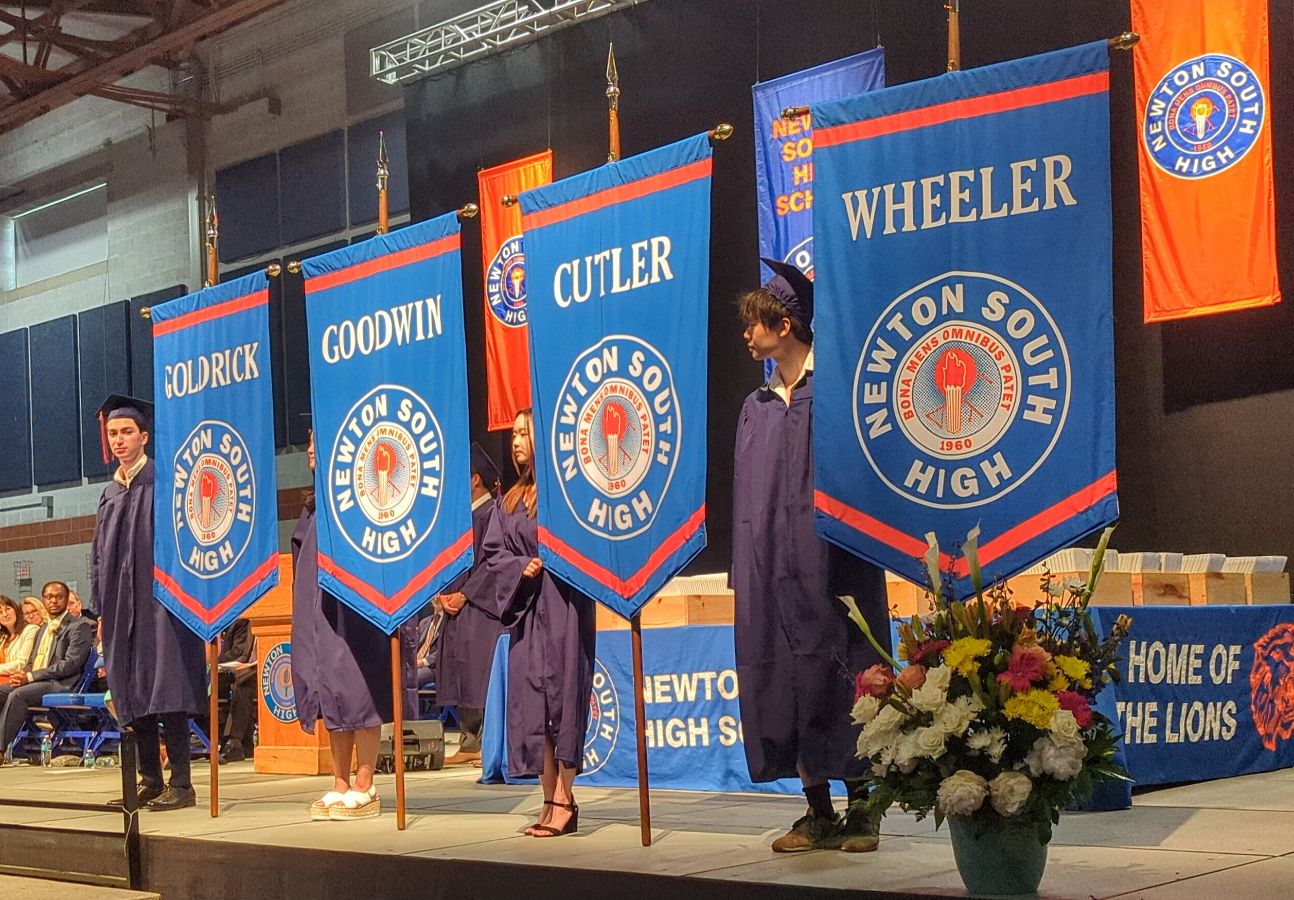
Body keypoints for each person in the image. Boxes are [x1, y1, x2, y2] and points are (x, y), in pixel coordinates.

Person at [731, 260, 891, 853]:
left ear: (786, 324)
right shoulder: (756, 405)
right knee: (782, 681)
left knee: (842, 676)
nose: (747, 334)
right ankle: (817, 811)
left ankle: (865, 810)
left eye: (755, 323)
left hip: (833, 565)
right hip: (769, 568)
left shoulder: (836, 391)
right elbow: (745, 497)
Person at [473, 410, 595, 837]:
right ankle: (548, 798)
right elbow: (493, 554)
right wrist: (519, 567)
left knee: (563, 700)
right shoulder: (510, 500)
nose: (516, 441)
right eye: (513, 434)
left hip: (563, 606)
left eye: (524, 433)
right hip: (526, 609)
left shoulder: (565, 493)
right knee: (534, 706)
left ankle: (565, 799)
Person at [290, 426, 417, 821]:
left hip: (356, 606)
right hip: (319, 609)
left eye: (317, 440)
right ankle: (340, 781)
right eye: (309, 441)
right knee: (329, 691)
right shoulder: (314, 507)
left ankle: (366, 783)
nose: (310, 449)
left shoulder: (359, 499)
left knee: (358, 690)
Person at [92, 395, 206, 812]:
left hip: (162, 603)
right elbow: (98, 556)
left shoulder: (165, 482)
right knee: (131, 689)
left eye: (126, 432)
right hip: (120, 607)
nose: (118, 440)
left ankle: (182, 783)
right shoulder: (110, 493)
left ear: (144, 436)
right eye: (112, 433)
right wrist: (100, 609)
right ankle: (150, 781)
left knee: (167, 687)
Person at [434, 442, 505, 766]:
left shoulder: (493, 514)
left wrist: (465, 594)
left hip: (481, 610)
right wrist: (440, 593)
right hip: (457, 608)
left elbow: (493, 563)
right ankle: (469, 741)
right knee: (461, 669)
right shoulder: (461, 519)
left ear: (475, 479)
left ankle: (486, 743)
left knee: (481, 671)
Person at [0, 582, 95, 757]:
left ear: (66, 599)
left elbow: (70, 664)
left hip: (61, 683)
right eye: (49, 597)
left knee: (18, 695)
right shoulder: (42, 629)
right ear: (43, 599)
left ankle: (1, 749)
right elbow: (32, 661)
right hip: (38, 681)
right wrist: (22, 674)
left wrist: (30, 676)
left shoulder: (79, 626)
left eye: (59, 597)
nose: (54, 601)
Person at [216, 617, 257, 763]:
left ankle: (233, 741)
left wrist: (212, 660)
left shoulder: (241, 619)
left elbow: (238, 652)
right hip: (223, 668)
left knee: (243, 680)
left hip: (253, 667)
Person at [0, 596, 38, 674]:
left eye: (7, 609)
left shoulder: (31, 630)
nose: (5, 614)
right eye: (0, 612)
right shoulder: (3, 637)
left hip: (18, 679)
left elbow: (22, 663)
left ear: (15, 609)